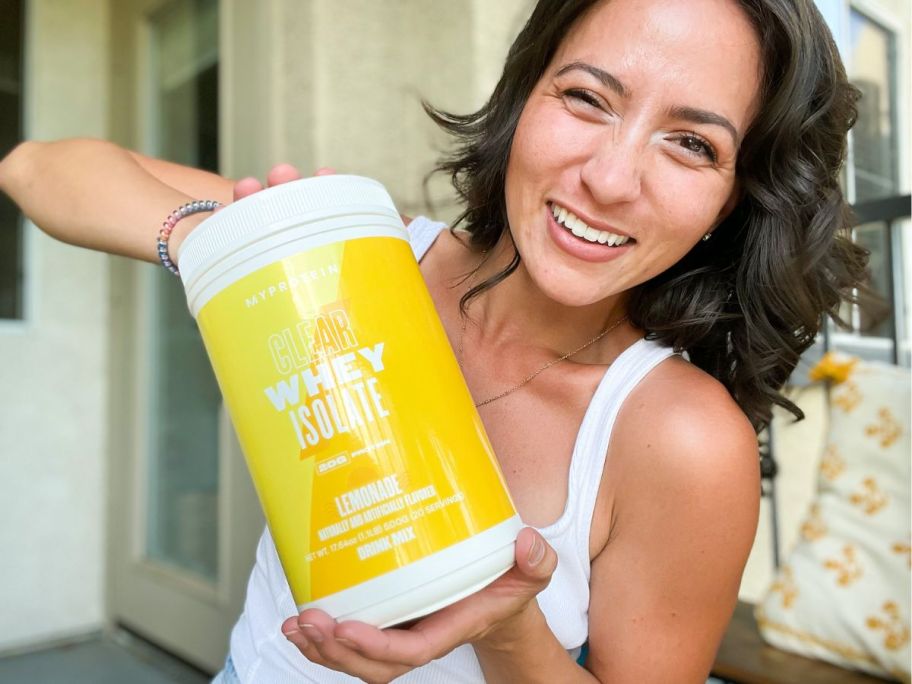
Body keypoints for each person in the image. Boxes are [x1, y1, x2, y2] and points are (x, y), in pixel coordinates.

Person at [0, 0, 867, 681]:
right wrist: (216, 245)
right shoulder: (371, 265)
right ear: (524, 100)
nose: (609, 178)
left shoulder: (682, 439)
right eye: (586, 97)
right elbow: (35, 168)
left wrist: (505, 624)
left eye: (690, 143)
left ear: (735, 197)